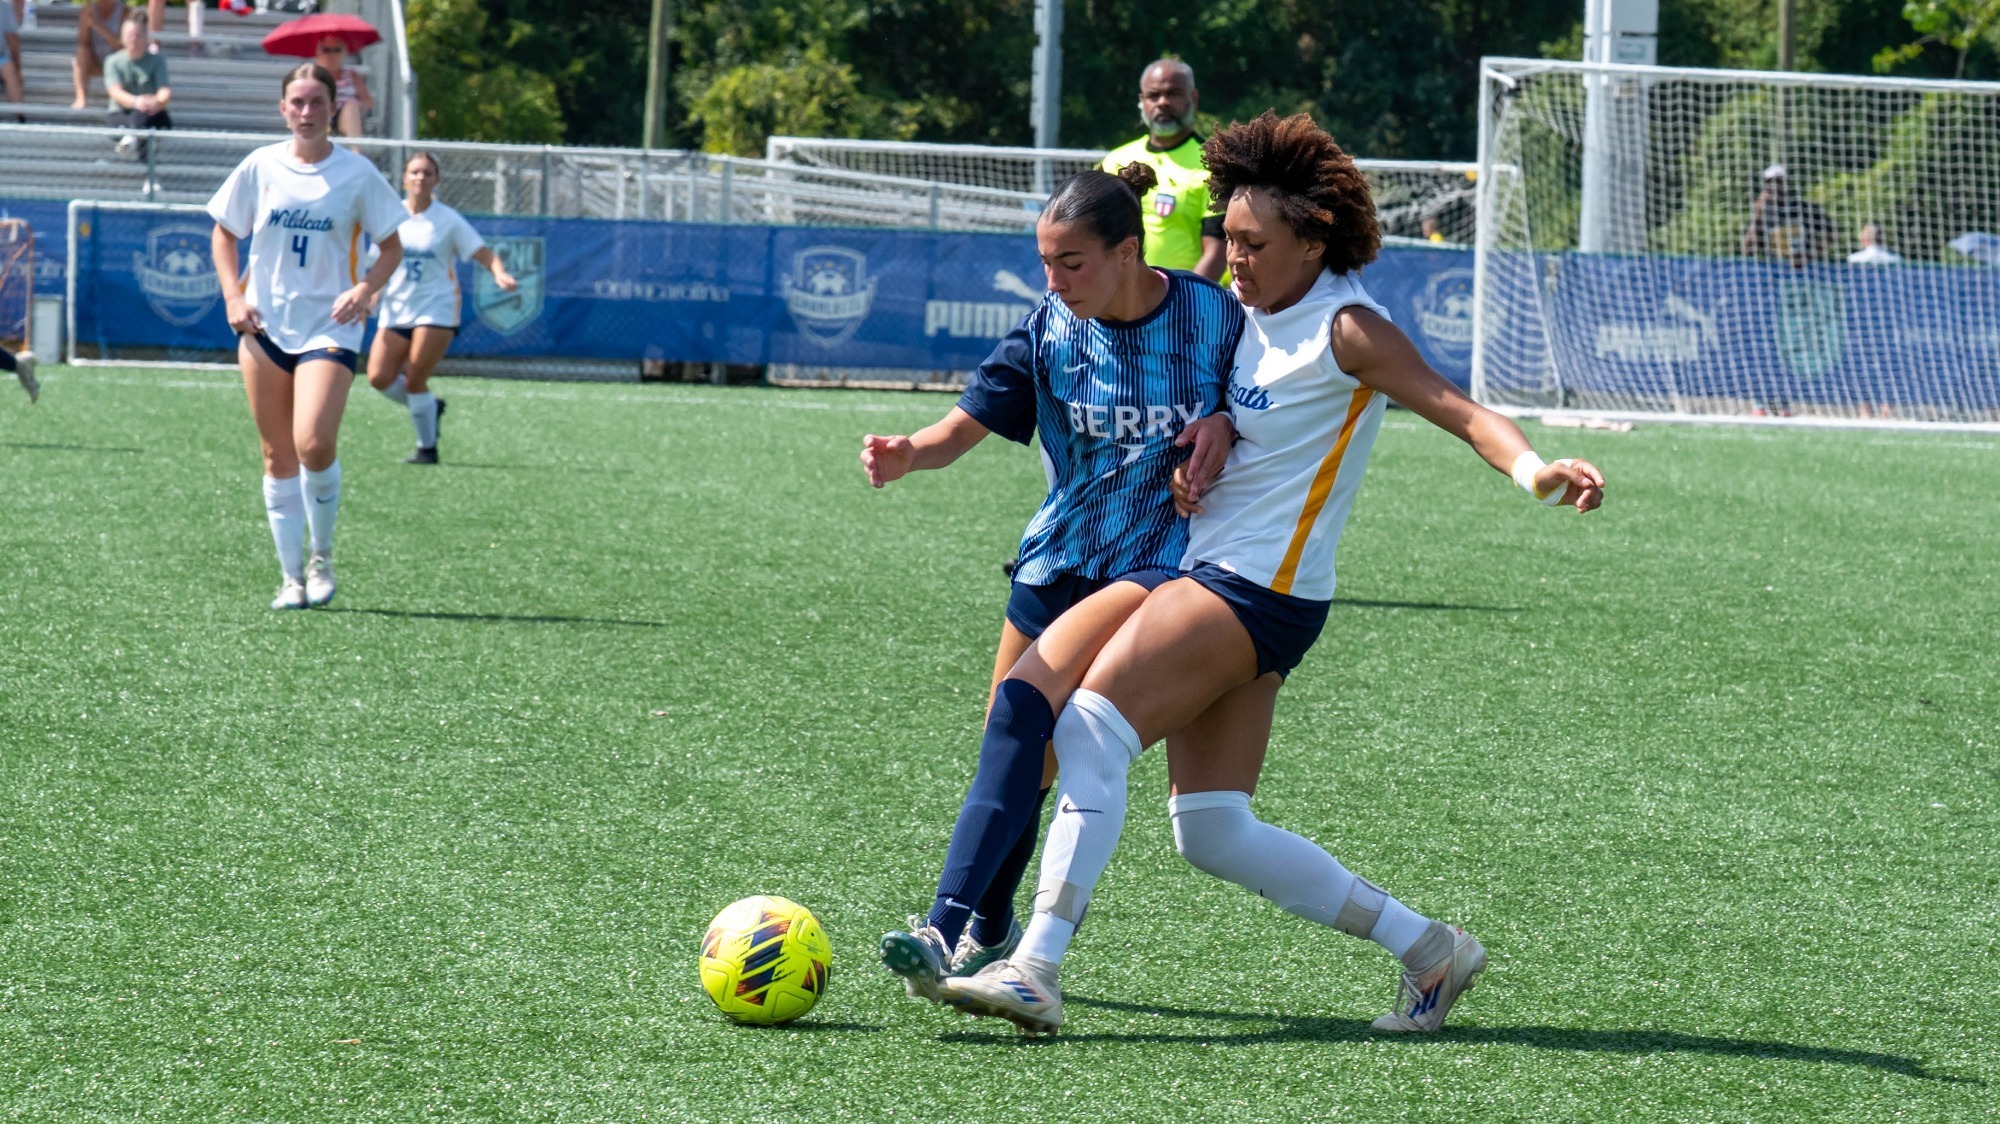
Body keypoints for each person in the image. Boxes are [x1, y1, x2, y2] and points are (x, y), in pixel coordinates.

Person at [938, 111, 1606, 1036]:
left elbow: (1460, 410)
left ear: (1314, 242)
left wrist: (1536, 470)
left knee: (1089, 723)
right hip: (1215, 576)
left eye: (1253, 244)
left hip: (1256, 588)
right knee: (1212, 829)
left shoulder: (1350, 329)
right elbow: (1229, 404)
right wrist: (1213, 427)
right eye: (1231, 236)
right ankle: (1431, 949)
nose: (1234, 257)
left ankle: (1035, 968)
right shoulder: (1244, 312)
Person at [864, 162, 1243, 1002]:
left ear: (1127, 252)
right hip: (1056, 558)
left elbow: (1264, 410)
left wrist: (1222, 425)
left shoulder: (1213, 316)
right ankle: (987, 925)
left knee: (1031, 725)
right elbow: (962, 427)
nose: (1054, 280)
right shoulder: (1047, 331)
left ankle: (944, 925)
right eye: (1045, 262)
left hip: (1156, 563)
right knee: (1011, 751)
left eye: (1071, 262)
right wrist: (909, 453)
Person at [207, 62, 406, 610]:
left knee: (313, 443)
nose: (306, 111)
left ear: (334, 107)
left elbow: (391, 246)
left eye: (317, 101)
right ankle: (291, 578)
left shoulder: (357, 173)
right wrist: (233, 297)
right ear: (282, 109)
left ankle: (322, 556)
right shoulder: (260, 165)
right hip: (263, 326)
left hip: (330, 325)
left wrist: (365, 289)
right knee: (277, 456)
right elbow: (223, 233)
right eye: (297, 102)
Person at [366, 151, 517, 465]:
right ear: (404, 178)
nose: (420, 178)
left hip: (436, 307)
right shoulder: (391, 216)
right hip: (397, 309)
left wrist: (500, 273)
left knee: (414, 379)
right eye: (415, 172)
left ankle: (427, 449)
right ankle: (429, 406)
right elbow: (378, 262)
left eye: (427, 173)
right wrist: (371, 291)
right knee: (378, 377)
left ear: (437, 180)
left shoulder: (447, 219)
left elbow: (484, 253)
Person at [1099, 59, 1226, 282]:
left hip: (1187, 298)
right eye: (1153, 95)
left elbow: (1218, 252)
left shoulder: (1215, 164)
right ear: (1142, 101)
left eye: (1173, 93)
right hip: (1122, 297)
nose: (1163, 102)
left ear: (1193, 98)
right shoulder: (1114, 161)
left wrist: (1185, 298)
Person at [104, 14, 171, 163]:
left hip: (151, 113)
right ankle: (147, 167)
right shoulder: (113, 61)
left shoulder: (157, 60)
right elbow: (115, 91)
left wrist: (157, 102)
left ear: (145, 37)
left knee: (144, 117)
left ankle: (129, 140)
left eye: (138, 35)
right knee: (139, 122)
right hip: (122, 113)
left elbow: (164, 90)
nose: (133, 39)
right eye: (129, 35)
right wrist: (136, 102)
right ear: (122, 37)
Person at [1741, 164, 1834, 268]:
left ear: (1786, 184)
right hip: (1773, 270)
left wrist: (1808, 255)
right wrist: (1756, 215)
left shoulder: (1804, 208)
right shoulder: (1762, 212)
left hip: (1804, 270)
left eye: (1778, 182)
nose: (1774, 187)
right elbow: (1746, 249)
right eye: (1769, 183)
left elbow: (1833, 234)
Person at [312, 34, 372, 138]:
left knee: (351, 107)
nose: (332, 54)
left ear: (344, 52)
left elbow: (368, 102)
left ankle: (355, 147)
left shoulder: (352, 75)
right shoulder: (312, 74)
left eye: (337, 50)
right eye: (326, 50)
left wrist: (356, 105)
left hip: (345, 115)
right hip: (321, 113)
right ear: (318, 52)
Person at [70, 0, 122, 109]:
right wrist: (86, 24)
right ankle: (81, 98)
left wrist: (97, 25)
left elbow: (120, 44)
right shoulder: (88, 10)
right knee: (81, 52)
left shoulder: (124, 12)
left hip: (116, 61)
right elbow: (82, 42)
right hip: (96, 61)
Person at [1, 0, 24, 116]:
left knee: (8, 68)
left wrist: (18, 69)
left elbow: (13, 41)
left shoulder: (4, 7)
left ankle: (20, 115)